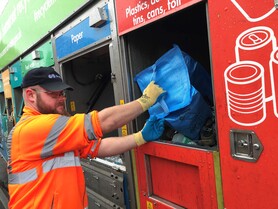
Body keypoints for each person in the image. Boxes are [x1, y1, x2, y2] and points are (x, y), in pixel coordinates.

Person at [7, 67, 165, 209]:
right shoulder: (32, 129)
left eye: (62, 93)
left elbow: (98, 147)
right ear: (30, 95)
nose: (62, 98)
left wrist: (140, 137)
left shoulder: (53, 136)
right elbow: (102, 122)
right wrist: (145, 101)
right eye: (53, 93)